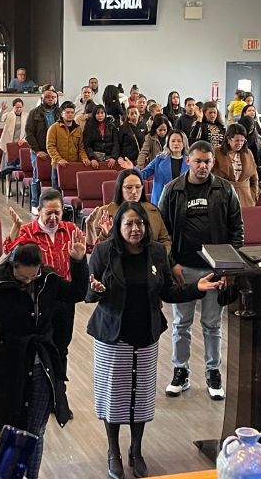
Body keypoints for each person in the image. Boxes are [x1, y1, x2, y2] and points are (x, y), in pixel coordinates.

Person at [87, 202, 224, 479]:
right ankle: (113, 451)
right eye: (128, 224)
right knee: (114, 396)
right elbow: (88, 293)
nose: (135, 229)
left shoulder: (157, 252)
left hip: (146, 333)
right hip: (113, 335)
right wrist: (97, 291)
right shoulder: (103, 252)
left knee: (140, 396)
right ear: (118, 226)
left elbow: (168, 292)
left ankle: (136, 450)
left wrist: (195, 288)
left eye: (139, 223)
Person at [0, 235, 87, 479]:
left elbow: (77, 293)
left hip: (42, 365)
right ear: (12, 267)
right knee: (11, 431)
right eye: (22, 278)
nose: (28, 281)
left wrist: (78, 262)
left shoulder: (48, 278)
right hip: (9, 364)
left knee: (35, 431)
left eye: (33, 276)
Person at [158, 141, 244, 400]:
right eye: (198, 161)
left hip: (215, 269)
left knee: (212, 324)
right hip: (183, 269)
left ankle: (213, 373)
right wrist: (172, 263)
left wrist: (229, 267)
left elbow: (237, 230)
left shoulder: (225, 189)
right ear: (188, 161)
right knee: (181, 324)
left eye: (207, 161)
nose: (203, 166)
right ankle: (180, 371)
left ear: (212, 163)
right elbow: (162, 232)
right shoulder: (172, 190)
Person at [4, 190, 79, 378]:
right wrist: (15, 228)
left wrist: (94, 229)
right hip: (38, 298)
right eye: (49, 213)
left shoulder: (70, 229)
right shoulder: (27, 230)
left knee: (61, 346)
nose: (53, 218)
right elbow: (9, 252)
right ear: (39, 211)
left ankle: (59, 389)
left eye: (57, 213)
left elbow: (87, 248)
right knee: (40, 346)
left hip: (64, 298)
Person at [85, 168, 171, 253]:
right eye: (129, 187)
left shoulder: (153, 210)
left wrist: (160, 257)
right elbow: (94, 248)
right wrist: (104, 233)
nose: (134, 191)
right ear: (120, 188)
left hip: (151, 259)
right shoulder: (105, 212)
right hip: (115, 259)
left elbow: (165, 240)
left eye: (138, 187)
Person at [123, 130, 189, 207]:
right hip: (161, 201)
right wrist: (132, 168)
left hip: (183, 203)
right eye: (173, 141)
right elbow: (143, 174)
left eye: (179, 141)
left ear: (184, 143)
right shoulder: (159, 159)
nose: (176, 143)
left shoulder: (190, 161)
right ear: (168, 143)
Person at [25, 88, 60, 214]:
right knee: (37, 177)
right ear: (42, 98)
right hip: (39, 150)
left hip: (55, 151)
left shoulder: (60, 112)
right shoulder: (34, 113)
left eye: (53, 97)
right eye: (48, 97)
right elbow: (29, 134)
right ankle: (35, 204)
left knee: (55, 178)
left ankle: (55, 204)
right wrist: (37, 150)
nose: (51, 99)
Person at [213, 123, 259, 207]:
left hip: (246, 197)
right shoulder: (216, 152)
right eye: (237, 140)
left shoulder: (248, 152)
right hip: (224, 196)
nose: (240, 143)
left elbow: (254, 177)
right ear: (228, 139)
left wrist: (254, 194)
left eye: (242, 141)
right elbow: (211, 176)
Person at [0, 98, 28, 170]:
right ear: (13, 107)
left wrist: (24, 140)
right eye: (17, 107)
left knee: (19, 161)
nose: (19, 109)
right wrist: (2, 110)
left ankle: (16, 174)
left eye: (20, 107)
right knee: (7, 161)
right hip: (9, 141)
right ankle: (6, 175)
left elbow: (29, 131)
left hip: (20, 142)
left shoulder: (26, 116)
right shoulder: (8, 115)